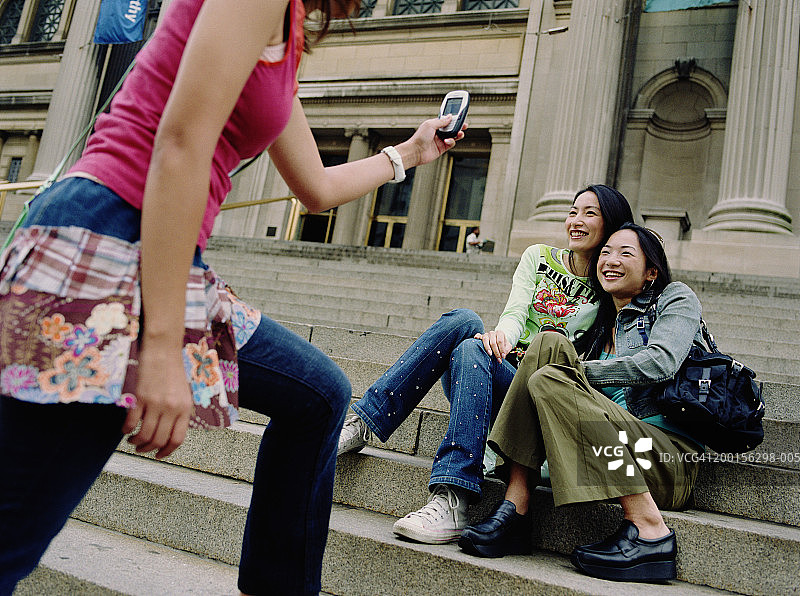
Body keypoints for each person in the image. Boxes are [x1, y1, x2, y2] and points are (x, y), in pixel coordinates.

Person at [0, 1, 467, 594]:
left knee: (319, 396)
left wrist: (409, 153)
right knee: (13, 531)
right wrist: (163, 347)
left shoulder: (285, 24)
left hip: (161, 249)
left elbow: (315, 187)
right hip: (107, 244)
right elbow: (180, 142)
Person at [338, 185, 633, 545]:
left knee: (469, 350)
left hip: (541, 401)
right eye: (573, 211)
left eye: (590, 213)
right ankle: (366, 423)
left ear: (611, 224)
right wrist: (501, 338)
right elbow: (516, 311)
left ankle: (453, 499)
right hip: (502, 381)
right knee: (465, 324)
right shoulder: (538, 256)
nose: (576, 220)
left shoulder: (609, 283)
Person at [458, 223, 704, 583]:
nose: (611, 260)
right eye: (606, 252)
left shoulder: (674, 298)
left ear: (651, 271)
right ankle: (517, 506)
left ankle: (650, 528)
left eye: (625, 253)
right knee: (548, 343)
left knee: (553, 372)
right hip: (614, 452)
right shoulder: (599, 325)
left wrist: (578, 371)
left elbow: (661, 362)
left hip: (665, 459)